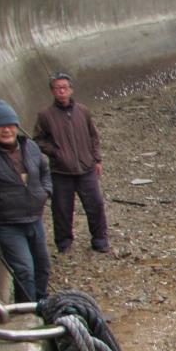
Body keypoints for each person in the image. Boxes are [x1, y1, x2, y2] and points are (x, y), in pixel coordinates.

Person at [0, 100, 52, 302]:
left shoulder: (29, 146)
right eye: (0, 126)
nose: (7, 130)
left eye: (10, 125)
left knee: (43, 266)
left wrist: (45, 191)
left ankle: (41, 304)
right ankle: (26, 311)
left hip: (34, 218)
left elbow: (44, 170)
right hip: (7, 224)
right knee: (24, 270)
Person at [33, 72, 109, 253]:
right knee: (61, 209)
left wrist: (97, 158)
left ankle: (100, 240)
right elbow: (37, 140)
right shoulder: (45, 115)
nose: (61, 91)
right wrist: (56, 152)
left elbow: (94, 136)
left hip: (86, 168)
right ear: (52, 91)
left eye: (64, 88)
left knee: (95, 205)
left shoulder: (82, 111)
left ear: (71, 90)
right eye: (57, 88)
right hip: (61, 172)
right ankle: (64, 242)